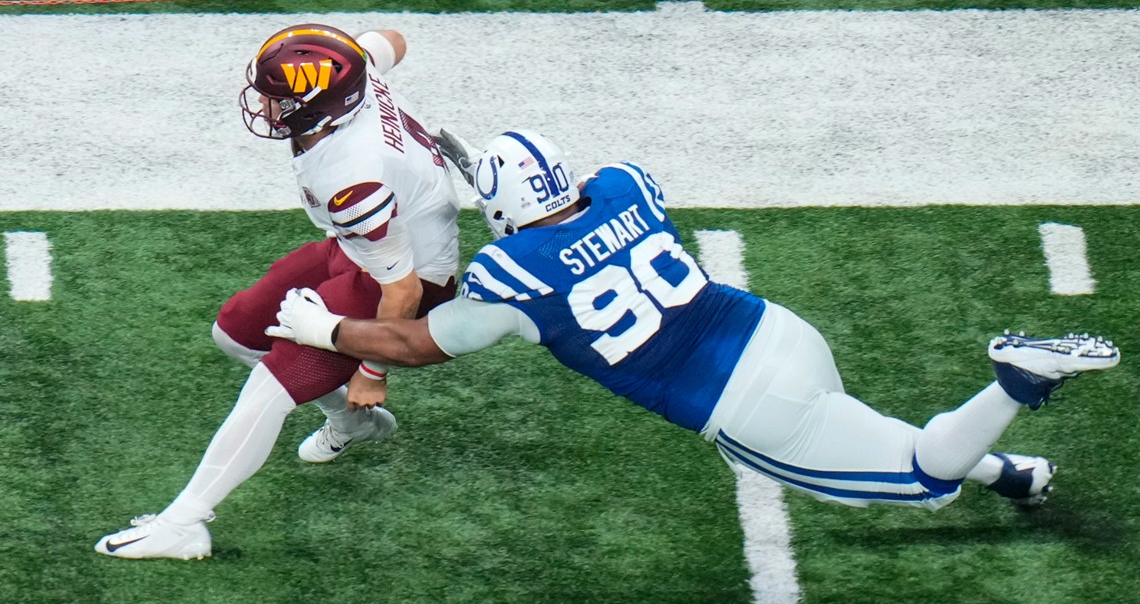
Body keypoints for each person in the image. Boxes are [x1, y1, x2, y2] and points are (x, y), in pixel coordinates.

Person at [268, 128, 1121, 516]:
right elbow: (576, 202)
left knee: (921, 475)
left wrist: (326, 333)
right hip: (779, 335)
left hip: (742, 405)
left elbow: (417, 342)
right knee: (863, 431)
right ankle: (1013, 475)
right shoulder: (624, 183)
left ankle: (1017, 376)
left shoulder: (510, 273)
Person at [95, 24, 460, 560]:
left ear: (318, 107)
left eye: (277, 96)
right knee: (237, 333)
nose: (264, 103)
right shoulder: (351, 79)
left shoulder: (352, 176)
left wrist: (371, 370)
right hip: (366, 251)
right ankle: (351, 423)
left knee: (272, 384)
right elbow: (392, 39)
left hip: (408, 283)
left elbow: (402, 291)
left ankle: (185, 522)